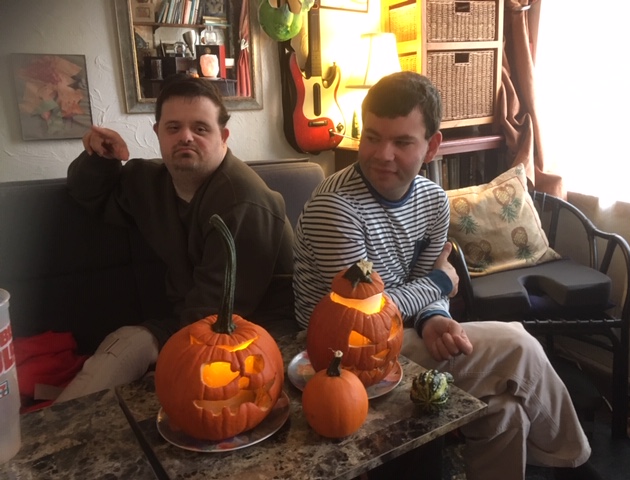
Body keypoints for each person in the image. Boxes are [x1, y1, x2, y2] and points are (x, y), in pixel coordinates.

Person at [293, 71, 599, 480]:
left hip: (401, 335)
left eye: (402, 142)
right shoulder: (335, 208)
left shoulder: (433, 201)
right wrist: (440, 284)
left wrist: (434, 315)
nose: (382, 154)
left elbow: (422, 282)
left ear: (432, 146)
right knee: (519, 345)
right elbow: (360, 318)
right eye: (372, 136)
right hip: (334, 358)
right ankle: (575, 466)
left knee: (504, 411)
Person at [55, 75, 295, 403]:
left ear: (223, 136)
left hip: (252, 336)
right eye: (173, 128)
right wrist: (101, 159)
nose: (185, 137)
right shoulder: (150, 181)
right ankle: (48, 442)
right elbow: (87, 194)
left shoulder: (244, 202)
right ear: (157, 133)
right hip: (187, 321)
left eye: (200, 128)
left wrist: (165, 369)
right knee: (121, 348)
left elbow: (215, 316)